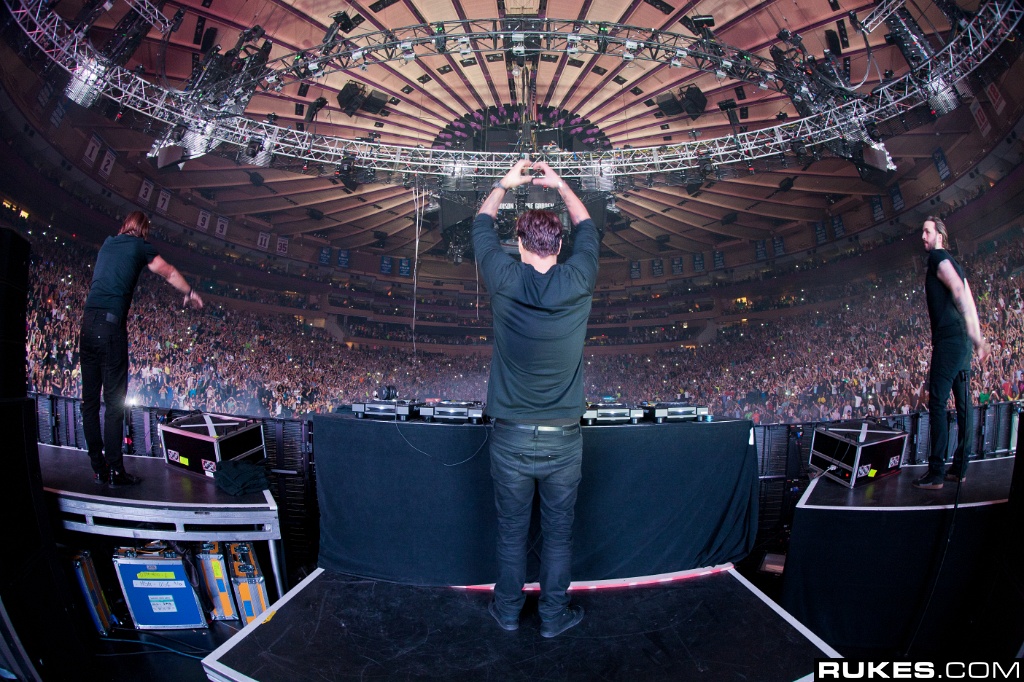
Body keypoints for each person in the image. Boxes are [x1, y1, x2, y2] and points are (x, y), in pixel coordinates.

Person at [472, 159, 599, 637]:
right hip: (564, 440)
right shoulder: (579, 278)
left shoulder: (504, 278)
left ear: (520, 245)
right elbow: (587, 226)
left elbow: (481, 225)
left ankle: (507, 613)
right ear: (559, 245)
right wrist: (561, 185)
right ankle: (552, 618)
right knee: (558, 535)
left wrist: (504, 185)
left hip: (510, 438)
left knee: (511, 533)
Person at [80, 211, 203, 486]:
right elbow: (168, 271)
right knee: (114, 405)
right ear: (143, 230)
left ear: (125, 224)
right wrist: (189, 292)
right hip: (110, 327)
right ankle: (115, 470)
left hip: (87, 325)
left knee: (89, 403)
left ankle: (98, 468)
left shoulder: (108, 242)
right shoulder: (139, 246)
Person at [914, 216, 989, 489]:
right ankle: (959, 469)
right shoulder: (957, 264)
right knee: (963, 406)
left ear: (939, 235)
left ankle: (936, 473)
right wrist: (976, 338)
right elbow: (969, 298)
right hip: (963, 341)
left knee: (937, 402)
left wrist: (976, 337)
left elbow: (958, 290)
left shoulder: (937, 257)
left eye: (927, 231)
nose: (923, 236)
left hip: (949, 341)